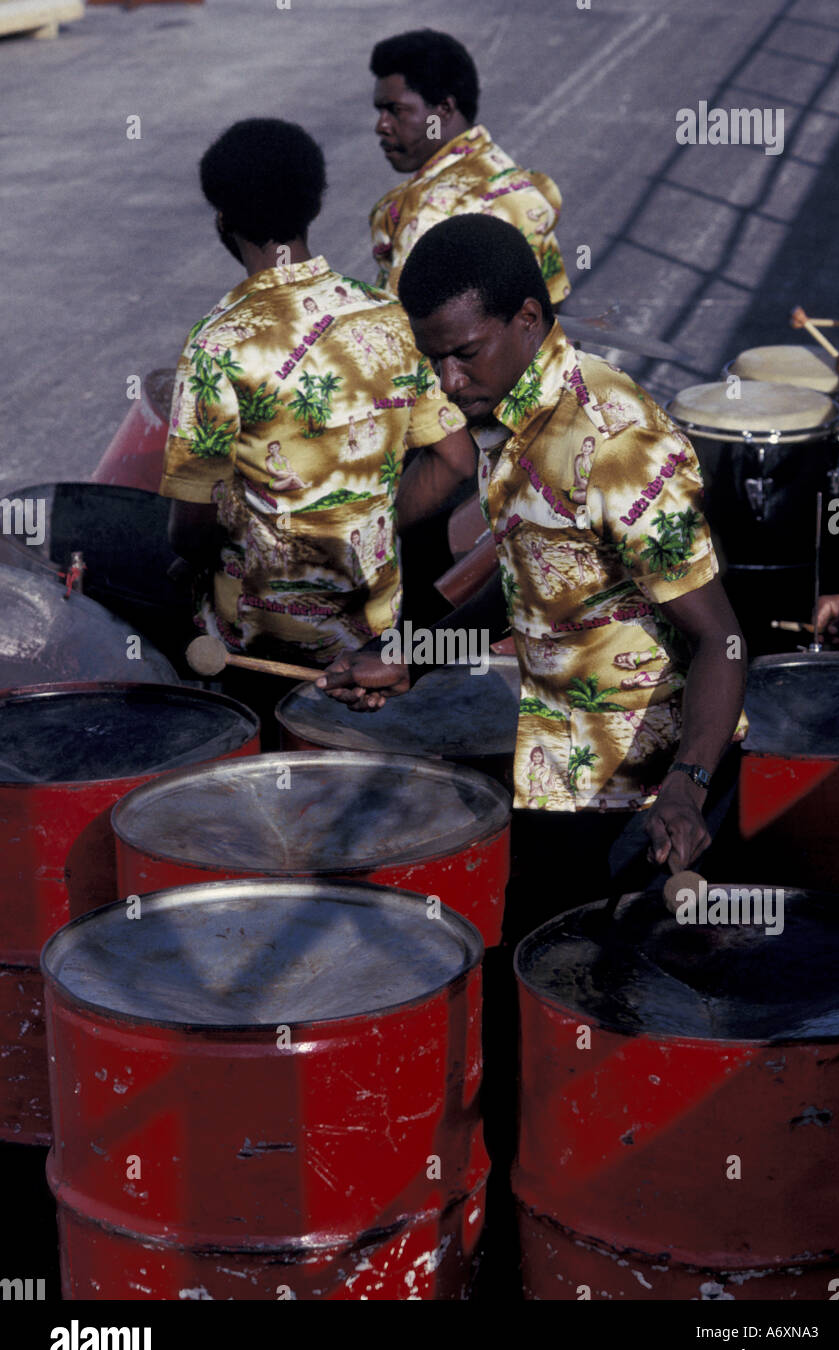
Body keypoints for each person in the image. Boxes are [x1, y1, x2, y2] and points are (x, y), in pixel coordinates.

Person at [319, 215, 748, 911]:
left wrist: (688, 784)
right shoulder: (509, 416)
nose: (448, 381)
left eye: (464, 353)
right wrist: (414, 655)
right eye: (434, 360)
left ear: (526, 318)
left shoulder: (613, 443)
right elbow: (537, 575)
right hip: (560, 775)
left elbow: (720, 639)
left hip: (647, 797)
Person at [160, 118, 474, 672]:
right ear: (315, 206)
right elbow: (455, 460)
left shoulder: (218, 344)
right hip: (373, 640)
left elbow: (190, 529)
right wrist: (367, 531)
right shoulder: (390, 318)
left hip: (257, 647)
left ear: (223, 217)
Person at [369, 29, 570, 305]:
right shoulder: (515, 177)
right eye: (380, 111)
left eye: (396, 110)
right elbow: (555, 300)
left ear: (443, 109)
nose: (382, 125)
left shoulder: (429, 210)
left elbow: (403, 323)